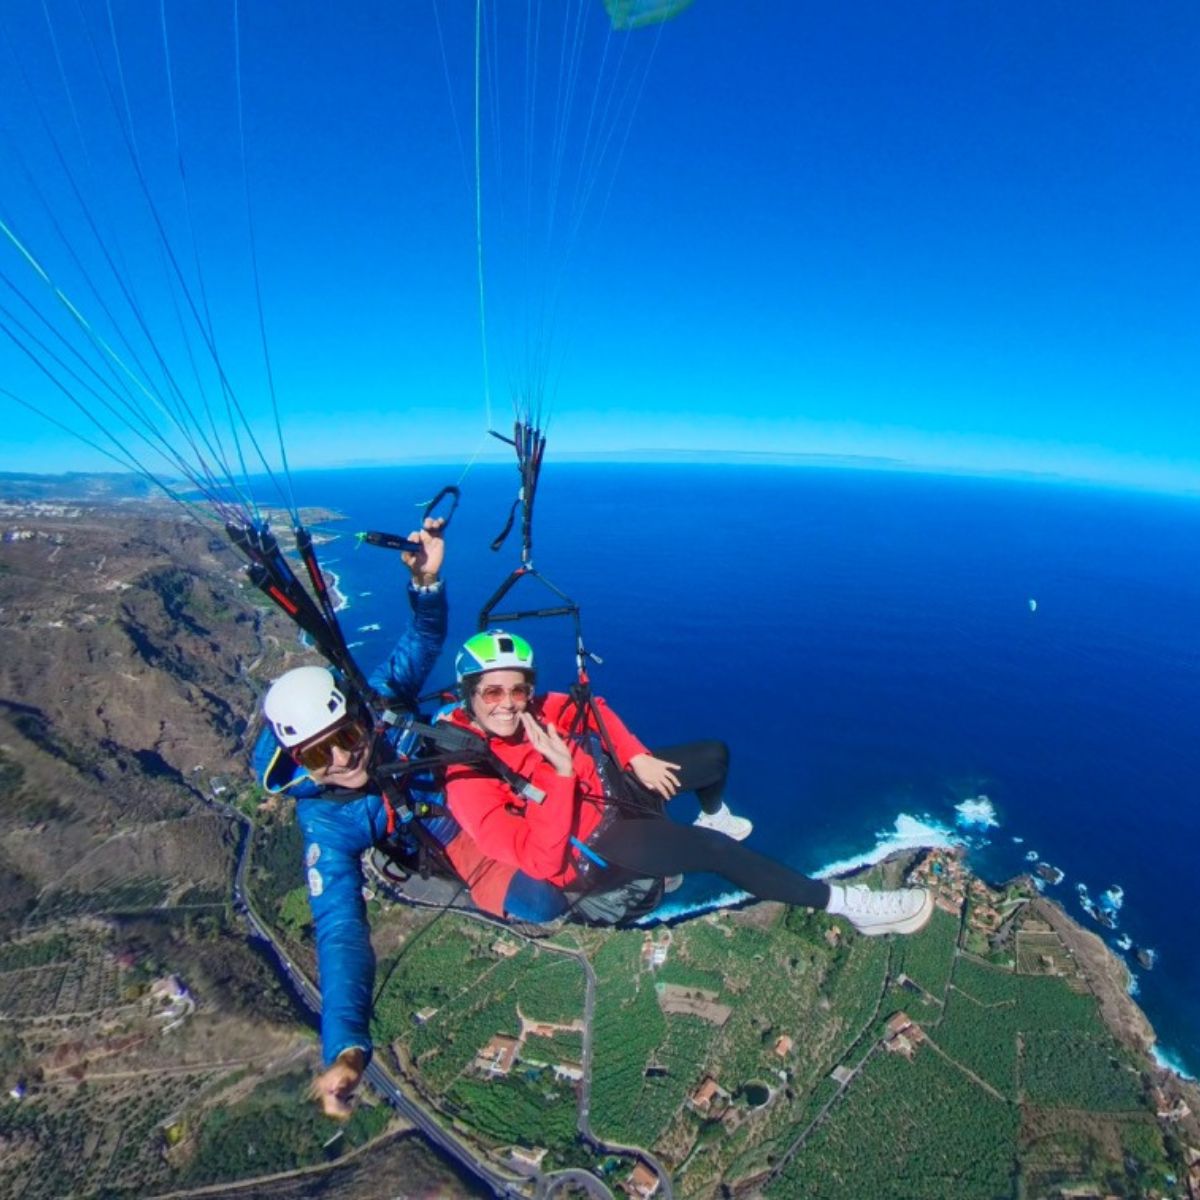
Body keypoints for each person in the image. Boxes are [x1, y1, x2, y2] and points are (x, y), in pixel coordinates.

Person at [441, 629, 935, 934]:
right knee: (713, 854)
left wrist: (636, 758)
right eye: (492, 692)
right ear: (470, 696)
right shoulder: (468, 776)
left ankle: (714, 817)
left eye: (517, 688)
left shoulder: (537, 708)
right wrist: (561, 773)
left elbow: (596, 712)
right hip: (591, 838)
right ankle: (853, 906)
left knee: (712, 757)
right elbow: (541, 859)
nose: (507, 702)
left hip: (614, 791)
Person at [253, 517, 497, 1119]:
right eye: (317, 754)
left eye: (346, 735)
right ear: (299, 765)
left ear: (361, 716)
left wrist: (427, 582)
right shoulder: (327, 824)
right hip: (442, 852)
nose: (342, 758)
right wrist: (346, 1049)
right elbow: (340, 934)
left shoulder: (384, 705)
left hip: (477, 809)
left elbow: (424, 637)